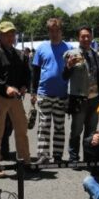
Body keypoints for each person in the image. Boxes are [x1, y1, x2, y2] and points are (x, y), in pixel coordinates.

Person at [0, 21, 31, 177]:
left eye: (12, 34)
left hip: (16, 98)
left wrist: (24, 85)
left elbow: (27, 74)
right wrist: (5, 88)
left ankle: (24, 162)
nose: (10, 37)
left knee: (22, 130)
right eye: (6, 35)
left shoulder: (20, 55)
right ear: (0, 36)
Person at [63, 26, 99, 163]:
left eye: (88, 36)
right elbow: (64, 76)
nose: (86, 38)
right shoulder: (71, 54)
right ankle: (73, 157)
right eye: (83, 36)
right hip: (79, 99)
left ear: (92, 37)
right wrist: (69, 66)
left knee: (91, 131)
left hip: (95, 99)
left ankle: (88, 157)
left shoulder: (96, 54)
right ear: (78, 38)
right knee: (76, 130)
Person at [31, 17, 69, 165]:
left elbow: (73, 72)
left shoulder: (69, 49)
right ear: (48, 32)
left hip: (62, 94)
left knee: (59, 126)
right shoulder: (41, 48)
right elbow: (35, 72)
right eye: (51, 31)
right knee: (43, 126)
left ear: (61, 31)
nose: (54, 33)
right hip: (44, 93)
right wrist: (33, 92)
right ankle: (43, 155)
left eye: (57, 30)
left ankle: (58, 155)